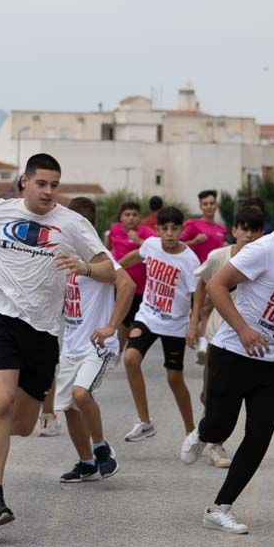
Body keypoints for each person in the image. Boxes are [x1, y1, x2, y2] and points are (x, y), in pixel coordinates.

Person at [0, 153, 114, 527]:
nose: (48, 192)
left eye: (54, 185)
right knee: (1, 400)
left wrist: (83, 267)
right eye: (41, 184)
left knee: (23, 424)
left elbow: (108, 268)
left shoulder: (73, 223)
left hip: (44, 330)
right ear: (24, 182)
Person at [194, 188, 274, 533]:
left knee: (259, 435)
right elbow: (216, 287)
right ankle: (202, 432)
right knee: (219, 427)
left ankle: (220, 506)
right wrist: (242, 330)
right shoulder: (262, 250)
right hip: (234, 352)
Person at [56, 197, 134, 483]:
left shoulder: (100, 258)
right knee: (68, 406)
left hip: (97, 345)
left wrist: (111, 326)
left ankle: (102, 450)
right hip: (71, 345)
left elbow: (128, 285)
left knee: (80, 394)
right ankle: (86, 463)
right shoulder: (62, 255)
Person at [187, 202, 266, 467]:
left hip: (250, 339)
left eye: (255, 230)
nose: (249, 235)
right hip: (218, 337)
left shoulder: (267, 259)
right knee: (215, 393)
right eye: (244, 229)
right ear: (234, 230)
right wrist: (195, 319)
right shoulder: (219, 256)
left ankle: (213, 435)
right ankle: (214, 444)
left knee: (237, 394)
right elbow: (202, 283)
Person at [115, 205, 199, 445]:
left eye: (175, 229)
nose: (170, 234)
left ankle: (191, 432)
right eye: (165, 229)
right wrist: (116, 269)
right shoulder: (151, 245)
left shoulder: (189, 260)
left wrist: (194, 324)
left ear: (182, 229)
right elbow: (136, 256)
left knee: (174, 379)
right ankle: (144, 422)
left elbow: (198, 293)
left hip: (175, 324)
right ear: (157, 229)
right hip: (148, 315)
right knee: (130, 358)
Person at [106, 201, 155, 352]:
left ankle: (130, 350)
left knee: (135, 322)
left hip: (142, 288)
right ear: (121, 217)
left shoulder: (147, 233)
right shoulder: (114, 230)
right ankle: (118, 350)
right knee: (122, 321)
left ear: (140, 217)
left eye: (135, 215)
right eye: (127, 215)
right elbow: (107, 248)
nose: (131, 218)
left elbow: (155, 251)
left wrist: (139, 241)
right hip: (120, 285)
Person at [181, 189, 229, 264]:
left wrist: (226, 248)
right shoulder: (192, 224)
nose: (209, 206)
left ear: (217, 205)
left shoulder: (222, 229)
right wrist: (193, 242)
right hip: (196, 270)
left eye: (212, 203)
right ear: (200, 206)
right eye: (205, 204)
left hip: (216, 272)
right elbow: (176, 244)